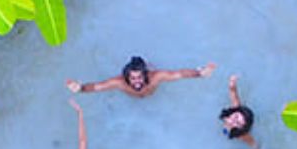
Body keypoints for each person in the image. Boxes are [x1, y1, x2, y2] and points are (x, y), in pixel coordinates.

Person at [67, 56, 216, 98]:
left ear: (145, 75)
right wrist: (80, 88)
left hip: (153, 94)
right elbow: (97, 87)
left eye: (139, 77)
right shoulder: (120, 82)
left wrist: (200, 73)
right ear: (127, 77)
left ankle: (147, 62)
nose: (137, 82)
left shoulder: (155, 77)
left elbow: (179, 74)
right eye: (133, 78)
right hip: (132, 97)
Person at [220, 74, 256, 147]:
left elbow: (254, 144)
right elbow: (233, 92)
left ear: (241, 128)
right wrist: (232, 82)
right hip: (241, 111)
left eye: (238, 123)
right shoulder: (235, 109)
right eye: (236, 117)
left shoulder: (241, 136)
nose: (233, 121)